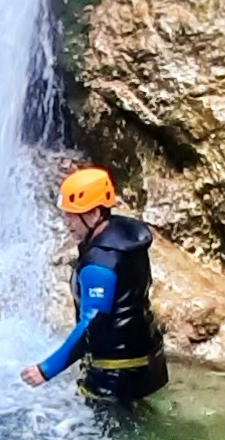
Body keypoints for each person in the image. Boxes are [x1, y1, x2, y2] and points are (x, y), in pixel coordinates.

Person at [21, 167, 167, 407]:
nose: (67, 221)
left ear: (95, 214)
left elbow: (91, 323)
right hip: (147, 362)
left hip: (116, 374)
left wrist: (46, 369)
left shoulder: (99, 263)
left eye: (73, 215)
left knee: (107, 429)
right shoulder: (124, 237)